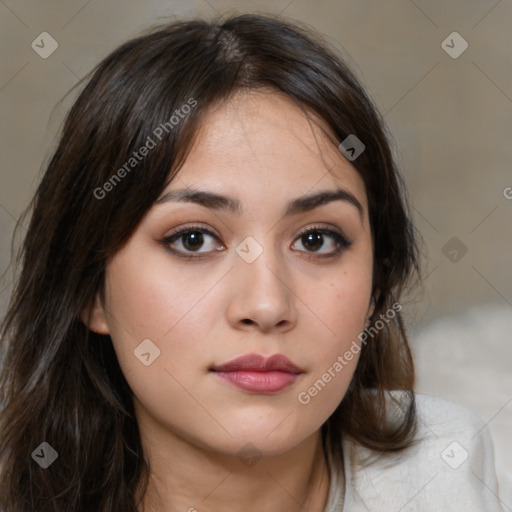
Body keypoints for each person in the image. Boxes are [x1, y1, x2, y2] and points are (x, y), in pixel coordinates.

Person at [0, 12, 503, 512]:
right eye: (194, 239)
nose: (266, 305)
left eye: (315, 240)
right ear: (90, 287)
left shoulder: (441, 472)